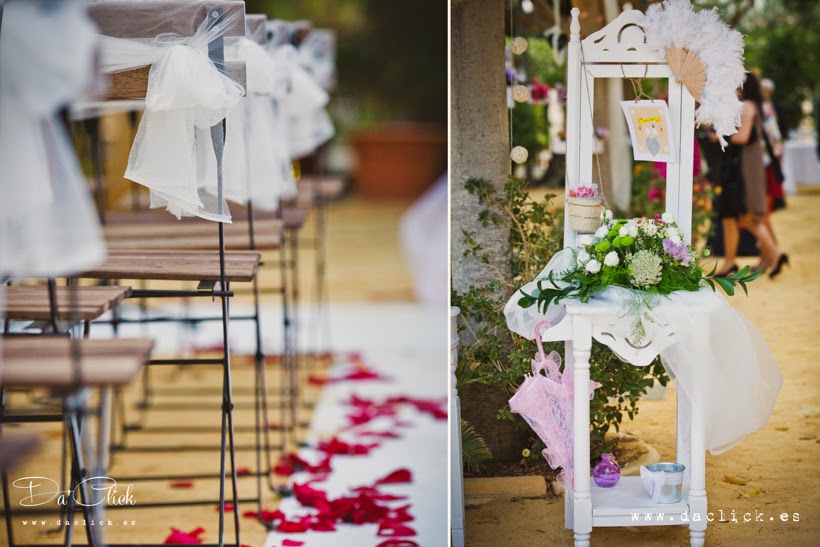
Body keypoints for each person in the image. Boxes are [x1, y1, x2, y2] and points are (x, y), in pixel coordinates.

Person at [716, 72, 788, 278]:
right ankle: (773, 256)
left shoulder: (747, 105)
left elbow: (743, 136)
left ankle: (775, 255)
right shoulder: (755, 105)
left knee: (751, 218)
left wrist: (722, 135)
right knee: (754, 217)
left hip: (748, 165)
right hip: (752, 164)